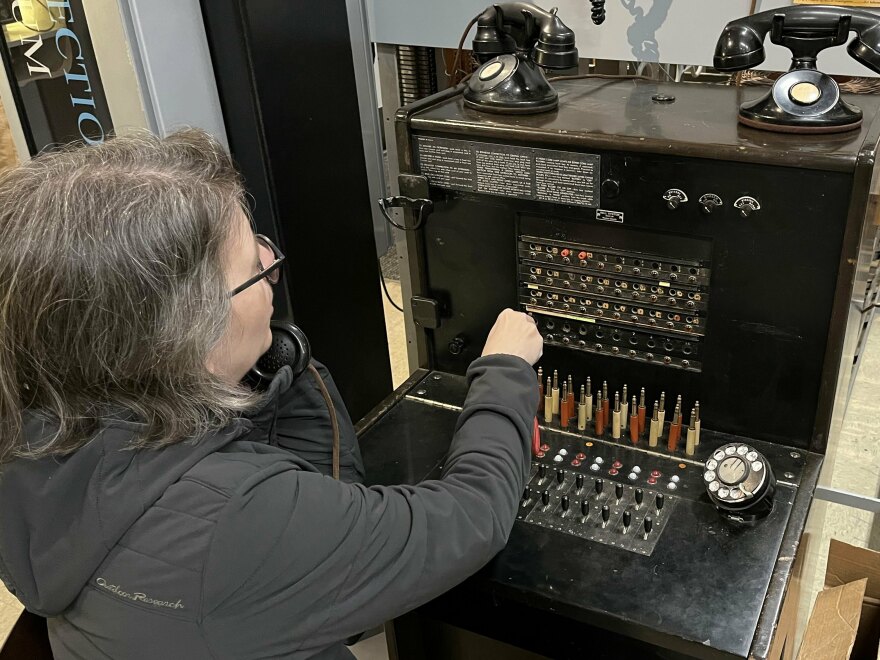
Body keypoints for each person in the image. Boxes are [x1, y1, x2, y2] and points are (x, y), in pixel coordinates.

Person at [0, 130, 543, 659]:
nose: (271, 274)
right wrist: (504, 370)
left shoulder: (31, 427)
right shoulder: (239, 524)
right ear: (188, 330)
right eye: (252, 268)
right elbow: (471, 517)